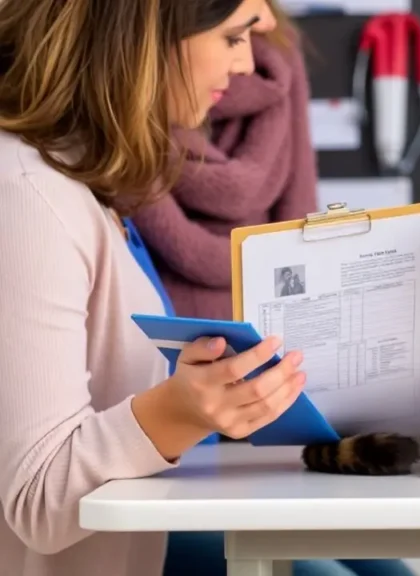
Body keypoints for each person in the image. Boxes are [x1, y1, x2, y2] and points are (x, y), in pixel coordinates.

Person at [0, 1, 317, 575]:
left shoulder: (82, 179)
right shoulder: (27, 198)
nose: (247, 65)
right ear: (148, 38)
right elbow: (37, 498)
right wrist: (181, 410)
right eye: (232, 37)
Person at [131, 0, 318, 321]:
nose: (243, 64)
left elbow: (299, 217)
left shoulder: (279, 55)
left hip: (268, 344)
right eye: (232, 38)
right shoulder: (104, 137)